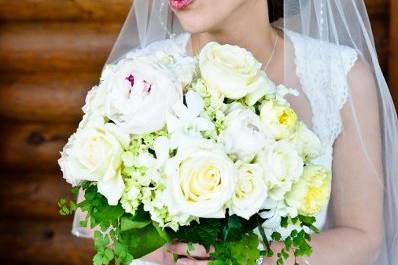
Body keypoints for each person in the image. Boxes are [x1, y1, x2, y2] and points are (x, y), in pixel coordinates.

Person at [74, 0, 398, 264]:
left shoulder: (341, 78)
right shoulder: (137, 77)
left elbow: (363, 236)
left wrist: (253, 259)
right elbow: (94, 218)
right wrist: (175, 254)